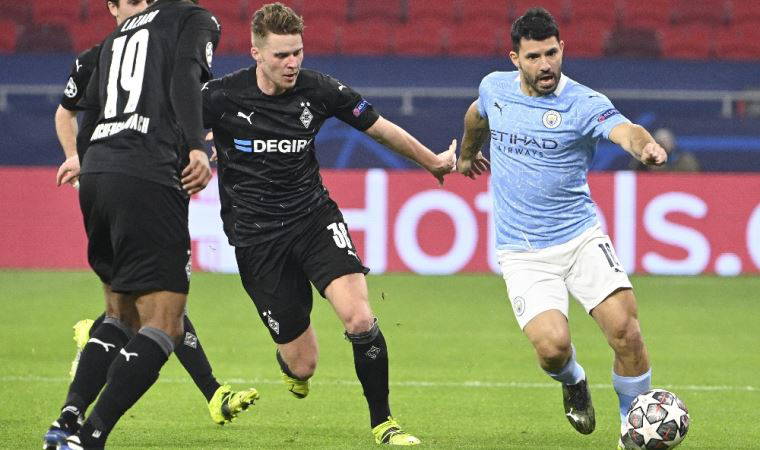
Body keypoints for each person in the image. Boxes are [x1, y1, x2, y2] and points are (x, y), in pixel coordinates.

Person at [202, 3, 455, 445]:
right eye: (281, 55)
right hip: (257, 238)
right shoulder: (220, 96)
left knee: (359, 318)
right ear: (256, 53)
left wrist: (431, 161)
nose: (292, 63)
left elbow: (379, 128)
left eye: (297, 52)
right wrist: (193, 152)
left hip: (313, 219)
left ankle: (384, 423)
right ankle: (292, 366)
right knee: (303, 364)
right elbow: (170, 128)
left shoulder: (318, 89)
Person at [456, 8, 665, 446]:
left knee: (626, 332)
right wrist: (466, 154)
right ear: (515, 59)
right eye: (534, 57)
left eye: (552, 53)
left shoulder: (584, 103)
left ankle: (632, 427)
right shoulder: (494, 88)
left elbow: (625, 130)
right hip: (522, 251)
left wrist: (644, 147)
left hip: (580, 238)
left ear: (562, 49)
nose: (545, 64)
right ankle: (573, 380)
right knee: (552, 349)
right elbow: (477, 114)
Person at [51, 0, 258, 434]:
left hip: (100, 175)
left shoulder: (112, 40)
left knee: (120, 314)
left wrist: (85, 158)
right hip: (148, 174)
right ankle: (91, 437)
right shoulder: (192, 19)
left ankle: (66, 421)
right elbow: (185, 80)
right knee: (165, 319)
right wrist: (196, 146)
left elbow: (96, 112)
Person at [628, 127, 700, 171]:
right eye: (660, 141)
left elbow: (694, 175)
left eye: (667, 140)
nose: (664, 144)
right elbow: (635, 173)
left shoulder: (685, 159)